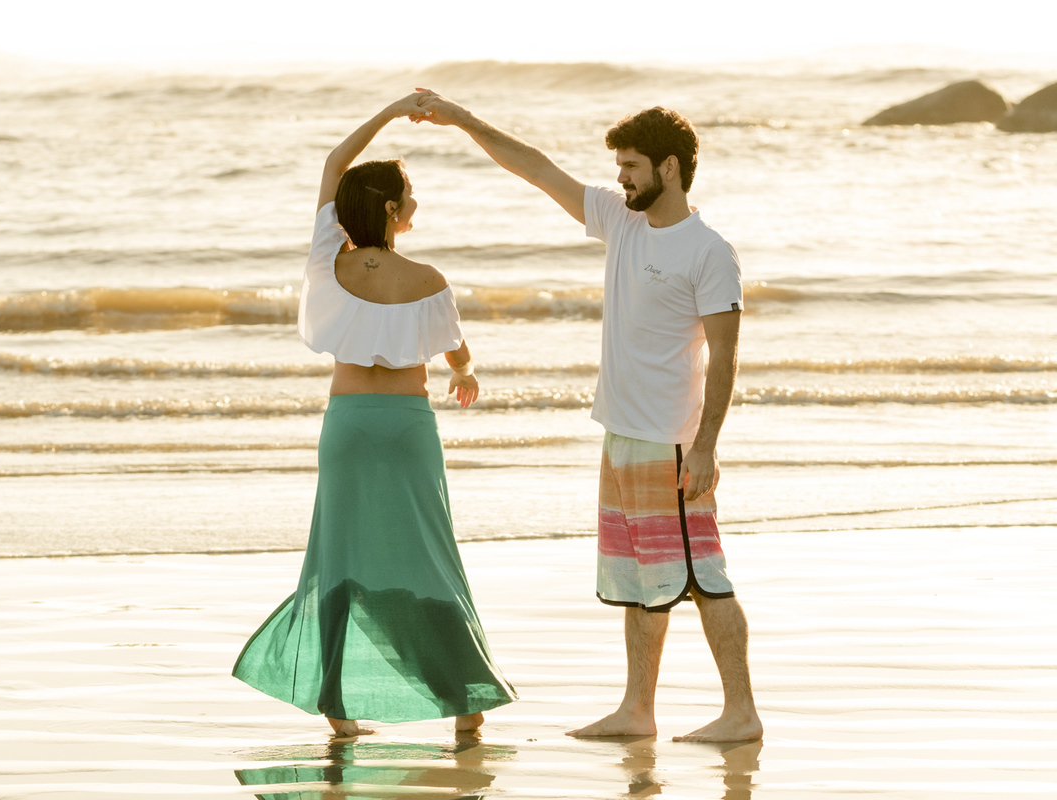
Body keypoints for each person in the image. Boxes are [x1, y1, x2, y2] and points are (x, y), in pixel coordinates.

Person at [415, 90, 763, 743]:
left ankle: (741, 714)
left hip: (673, 445)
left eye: (631, 165)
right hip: (622, 436)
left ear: (668, 167)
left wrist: (709, 446)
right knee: (637, 582)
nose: (620, 177)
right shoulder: (621, 221)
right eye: (619, 166)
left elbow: (725, 359)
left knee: (702, 576)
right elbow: (537, 168)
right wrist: (463, 118)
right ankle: (638, 710)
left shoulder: (709, 252)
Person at [232, 92, 517, 738]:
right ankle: (465, 703)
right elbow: (454, 350)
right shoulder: (428, 280)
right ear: (390, 210)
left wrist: (390, 113)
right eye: (408, 196)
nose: (415, 205)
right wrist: (466, 374)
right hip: (407, 428)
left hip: (348, 426)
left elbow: (335, 162)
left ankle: (337, 709)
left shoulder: (327, 261)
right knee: (430, 557)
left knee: (337, 559)